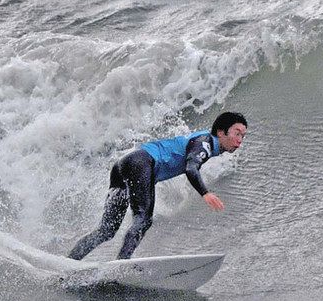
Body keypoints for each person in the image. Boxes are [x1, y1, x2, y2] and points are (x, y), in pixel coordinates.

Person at [67, 111, 248, 260]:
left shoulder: (202, 140)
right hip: (141, 163)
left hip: (124, 165)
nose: (240, 140)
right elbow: (191, 168)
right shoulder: (205, 143)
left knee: (107, 230)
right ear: (221, 132)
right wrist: (205, 193)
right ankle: (121, 264)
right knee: (143, 220)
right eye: (237, 133)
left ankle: (70, 261)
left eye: (243, 135)